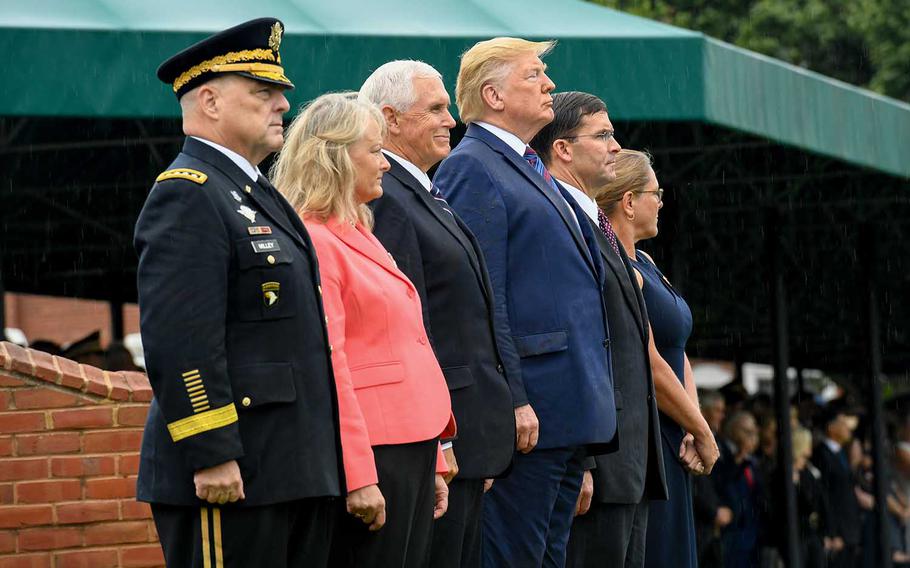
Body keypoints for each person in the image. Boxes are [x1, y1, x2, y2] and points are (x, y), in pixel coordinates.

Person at [134, 18, 344, 567]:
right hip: (234, 469)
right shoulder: (189, 194)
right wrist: (211, 450)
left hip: (289, 465)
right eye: (263, 92)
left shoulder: (252, 190)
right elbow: (180, 337)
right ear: (209, 100)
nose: (281, 104)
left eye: (280, 93)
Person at [434, 38, 617, 567]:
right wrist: (511, 396)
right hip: (531, 411)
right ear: (492, 94)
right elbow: (481, 294)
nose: (550, 85)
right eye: (534, 74)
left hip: (567, 409)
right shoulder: (472, 166)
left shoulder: (528, 165)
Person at [271, 92, 456, 568]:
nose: (387, 165)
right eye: (374, 151)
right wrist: (358, 475)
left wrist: (433, 456)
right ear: (334, 156)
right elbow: (331, 364)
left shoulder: (357, 231)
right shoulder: (314, 239)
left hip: (409, 445)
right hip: (374, 452)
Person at [359, 60, 516, 568]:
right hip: (439, 433)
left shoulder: (424, 192)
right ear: (391, 120)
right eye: (436, 109)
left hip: (463, 429)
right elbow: (410, 327)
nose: (452, 120)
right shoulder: (387, 200)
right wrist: (442, 442)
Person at [528, 91, 667, 568]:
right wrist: (585, 459)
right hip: (597, 455)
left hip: (624, 453)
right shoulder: (554, 216)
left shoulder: (586, 218)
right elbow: (568, 336)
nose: (616, 146)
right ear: (563, 149)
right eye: (603, 135)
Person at [592, 149, 720, 568]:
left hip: (675, 429)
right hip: (649, 433)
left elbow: (676, 349)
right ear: (628, 202)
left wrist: (690, 422)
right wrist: (700, 430)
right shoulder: (620, 269)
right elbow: (649, 359)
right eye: (655, 192)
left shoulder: (644, 261)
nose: (662, 202)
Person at [813, 403, 862, 568]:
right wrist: (832, 532)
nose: (847, 428)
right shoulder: (822, 455)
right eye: (842, 423)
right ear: (831, 427)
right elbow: (825, 496)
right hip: (838, 531)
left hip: (849, 529)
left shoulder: (841, 452)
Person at [714, 410, 762, 568]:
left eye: (754, 431)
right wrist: (739, 457)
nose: (751, 436)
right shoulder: (721, 453)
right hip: (732, 529)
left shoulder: (754, 462)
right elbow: (722, 483)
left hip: (751, 527)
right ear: (733, 429)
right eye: (747, 431)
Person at [694, 390, 733, 567]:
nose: (721, 415)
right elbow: (697, 482)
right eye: (717, 410)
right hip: (700, 524)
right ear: (704, 410)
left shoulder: (723, 444)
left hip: (721, 529)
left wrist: (729, 508)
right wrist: (713, 510)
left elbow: (727, 481)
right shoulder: (691, 440)